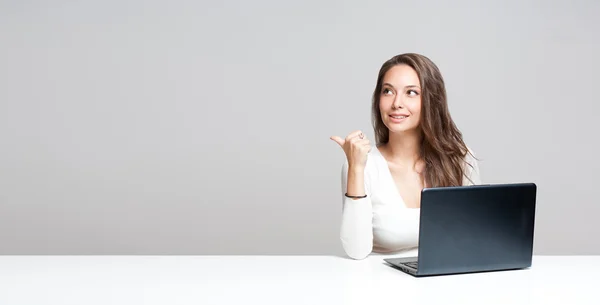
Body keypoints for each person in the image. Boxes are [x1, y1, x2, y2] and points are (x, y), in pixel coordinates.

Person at [330, 53, 482, 260]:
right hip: (380, 284)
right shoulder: (363, 165)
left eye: (411, 92)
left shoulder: (459, 159)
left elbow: (476, 237)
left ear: (431, 101)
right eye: (388, 91)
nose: (396, 103)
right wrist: (356, 168)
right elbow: (356, 251)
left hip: (446, 281)